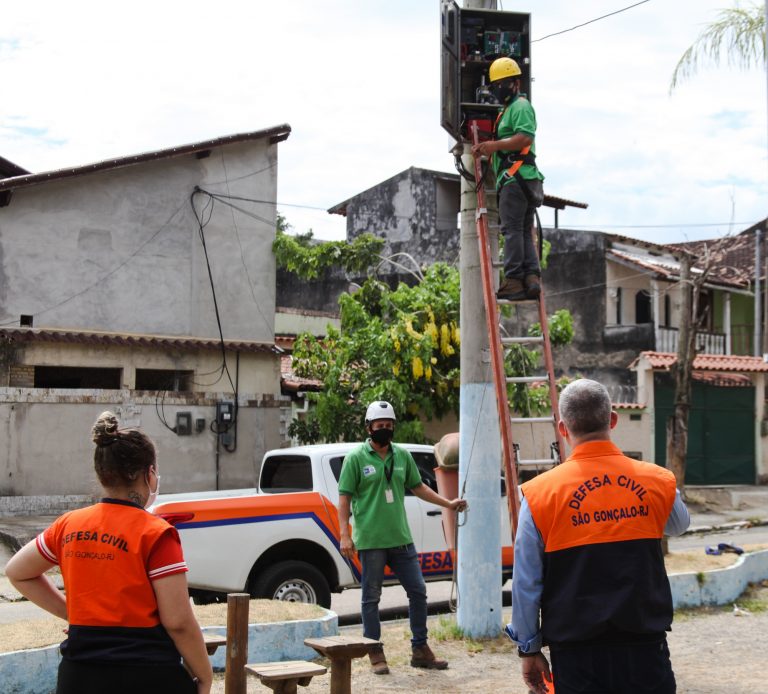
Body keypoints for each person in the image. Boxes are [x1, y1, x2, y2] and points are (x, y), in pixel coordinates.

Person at [6, 411, 213, 694]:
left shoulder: (68, 525)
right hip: (147, 675)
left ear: (102, 474)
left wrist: (73, 615)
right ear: (149, 474)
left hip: (78, 677)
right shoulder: (156, 533)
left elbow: (17, 572)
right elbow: (178, 621)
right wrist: (204, 675)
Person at [507, 379, 690, 694]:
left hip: (576, 656)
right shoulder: (657, 480)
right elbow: (678, 525)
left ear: (563, 429)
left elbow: (526, 582)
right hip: (644, 647)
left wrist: (529, 648)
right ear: (613, 420)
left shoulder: (538, 494)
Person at [338, 400, 468, 675]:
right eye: (379, 426)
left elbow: (418, 487)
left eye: (388, 425)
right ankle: (374, 650)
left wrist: (448, 503)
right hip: (371, 541)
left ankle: (420, 648)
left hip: (401, 539)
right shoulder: (356, 458)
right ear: (368, 427)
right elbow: (344, 498)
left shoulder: (401, 456)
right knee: (370, 597)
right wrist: (344, 535)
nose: (384, 430)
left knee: (418, 591)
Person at [471, 56, 545, 302]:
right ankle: (531, 278)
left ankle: (514, 280)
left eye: (504, 83)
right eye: (497, 84)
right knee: (523, 231)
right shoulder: (507, 111)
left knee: (513, 230)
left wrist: (491, 146)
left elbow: (525, 138)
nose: (500, 88)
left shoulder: (520, 106)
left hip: (517, 178)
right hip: (522, 178)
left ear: (516, 83)